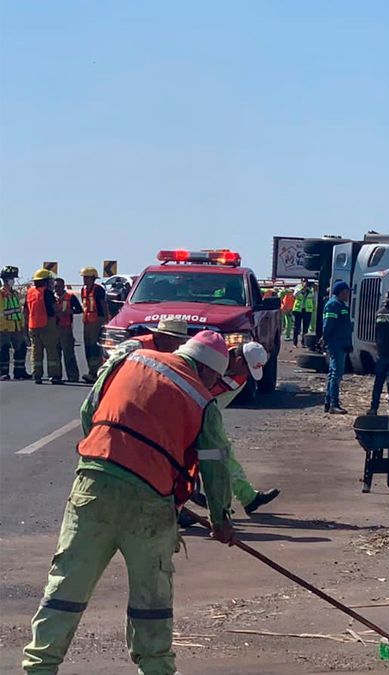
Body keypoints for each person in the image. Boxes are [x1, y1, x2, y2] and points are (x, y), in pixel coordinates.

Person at [22, 331, 235, 675]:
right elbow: (215, 465)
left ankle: (39, 667)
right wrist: (221, 518)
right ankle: (156, 669)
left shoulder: (132, 361)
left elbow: (89, 411)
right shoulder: (202, 398)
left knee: (66, 585)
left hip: (93, 485)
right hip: (150, 504)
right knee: (151, 602)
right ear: (210, 372)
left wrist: (111, 458)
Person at [195, 342, 281, 516]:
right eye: (247, 369)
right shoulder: (213, 352)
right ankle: (240, 499)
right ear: (239, 360)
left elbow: (209, 398)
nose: (248, 375)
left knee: (223, 454)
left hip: (206, 413)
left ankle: (244, 498)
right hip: (189, 406)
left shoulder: (238, 379)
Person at [322, 280, 353, 414]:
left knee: (334, 373)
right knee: (336, 373)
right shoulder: (333, 305)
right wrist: (325, 339)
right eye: (346, 292)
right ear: (341, 292)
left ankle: (329, 402)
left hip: (342, 343)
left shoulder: (340, 305)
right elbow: (328, 325)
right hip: (336, 343)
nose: (348, 295)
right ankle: (333, 404)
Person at [25, 269, 60, 385]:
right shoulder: (47, 293)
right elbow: (54, 308)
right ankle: (54, 375)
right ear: (44, 281)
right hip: (47, 324)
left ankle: (37, 375)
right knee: (51, 351)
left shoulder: (29, 292)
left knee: (36, 352)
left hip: (32, 325)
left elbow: (25, 310)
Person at [78, 267, 109, 383]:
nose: (84, 280)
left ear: (93, 278)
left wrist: (106, 320)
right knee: (88, 346)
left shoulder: (99, 290)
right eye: (83, 278)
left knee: (95, 346)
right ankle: (91, 371)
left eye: (86, 277)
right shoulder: (83, 290)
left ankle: (95, 372)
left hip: (97, 320)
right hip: (87, 321)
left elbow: (103, 305)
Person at [1, 266, 30, 380]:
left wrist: (22, 325)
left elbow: (18, 310)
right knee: (3, 350)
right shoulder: (1, 294)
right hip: (4, 328)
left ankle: (20, 371)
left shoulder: (14, 293)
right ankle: (3, 372)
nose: (13, 280)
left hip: (16, 326)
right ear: (5, 279)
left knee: (21, 348)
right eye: (11, 278)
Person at [53, 278, 83, 383]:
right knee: (55, 354)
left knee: (68, 353)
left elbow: (79, 309)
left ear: (63, 286)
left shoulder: (70, 297)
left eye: (59, 286)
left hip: (66, 328)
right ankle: (56, 375)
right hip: (54, 329)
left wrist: (70, 311)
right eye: (55, 286)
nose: (57, 289)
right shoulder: (52, 298)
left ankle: (73, 376)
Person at [292, 280, 315, 346]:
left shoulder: (311, 289)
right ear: (301, 282)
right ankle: (295, 342)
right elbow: (295, 295)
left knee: (306, 327)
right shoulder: (298, 287)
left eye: (307, 281)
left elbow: (313, 297)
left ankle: (303, 342)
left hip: (307, 310)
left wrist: (312, 288)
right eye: (304, 281)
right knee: (297, 327)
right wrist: (303, 289)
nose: (305, 283)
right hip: (298, 309)